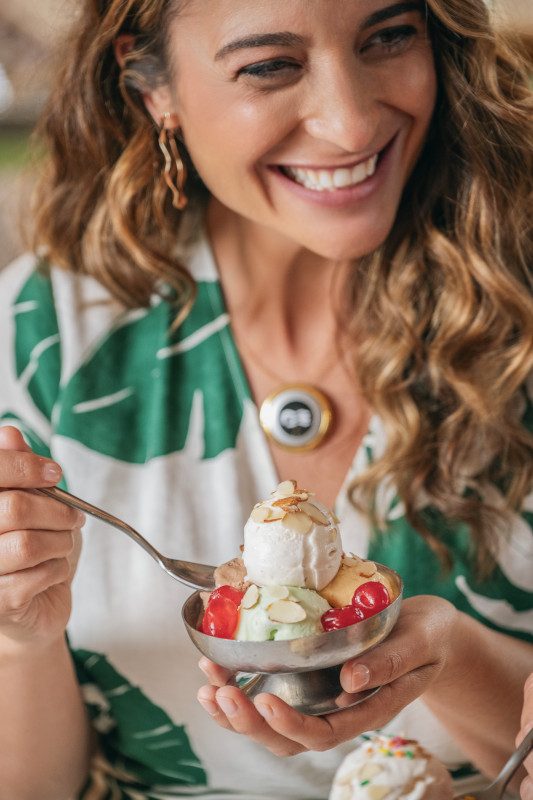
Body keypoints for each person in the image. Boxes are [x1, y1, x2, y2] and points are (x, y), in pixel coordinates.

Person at [0, 1, 531, 798]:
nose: (350, 124)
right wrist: (17, 638)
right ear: (155, 91)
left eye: (387, 37)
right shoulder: (46, 340)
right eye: (269, 66)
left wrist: (449, 660)